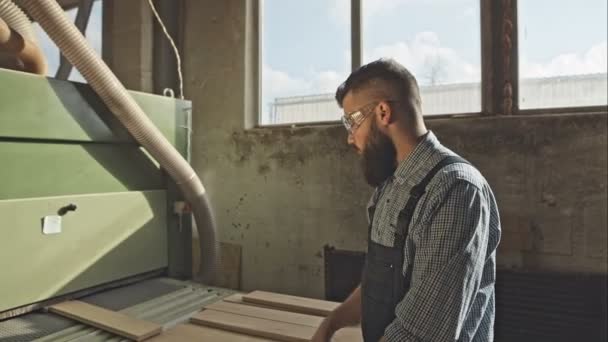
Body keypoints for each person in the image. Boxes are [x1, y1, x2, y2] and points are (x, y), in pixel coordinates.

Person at [312, 59, 501, 342]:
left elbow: (421, 333)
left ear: (383, 112)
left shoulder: (455, 190)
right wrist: (332, 322)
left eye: (352, 122)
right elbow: (379, 282)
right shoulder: (389, 186)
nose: (351, 139)